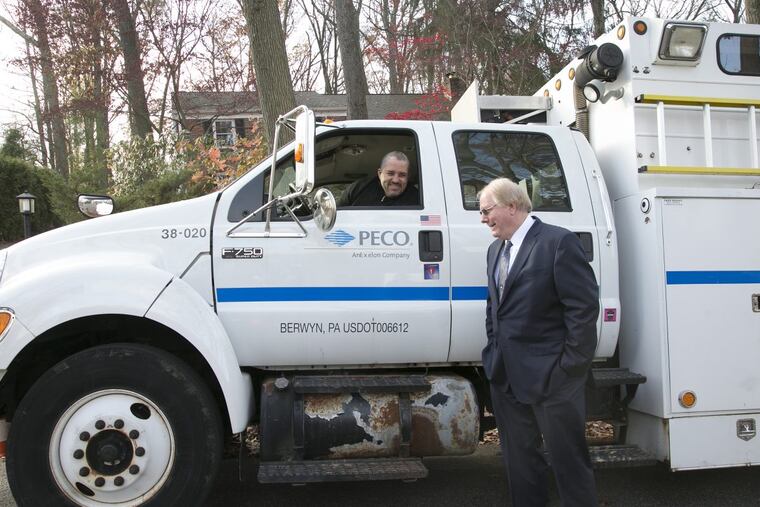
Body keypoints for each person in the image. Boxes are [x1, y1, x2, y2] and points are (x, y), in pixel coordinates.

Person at [478, 178, 599, 507]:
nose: (483, 218)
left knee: (569, 466)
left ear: (512, 206)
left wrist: (569, 368)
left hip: (554, 378)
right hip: (506, 377)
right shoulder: (494, 251)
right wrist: (493, 353)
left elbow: (583, 309)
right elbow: (495, 309)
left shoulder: (558, 242)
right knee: (520, 465)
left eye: (487, 210)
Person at [338, 151, 419, 206]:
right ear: (380, 174)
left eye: (402, 175)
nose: (395, 180)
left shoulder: (417, 199)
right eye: (390, 173)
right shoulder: (358, 188)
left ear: (408, 177)